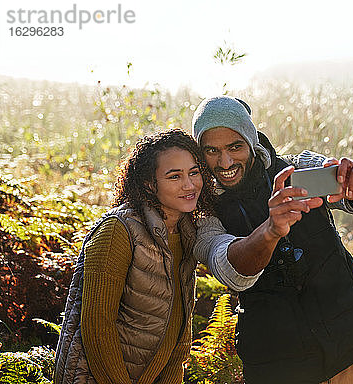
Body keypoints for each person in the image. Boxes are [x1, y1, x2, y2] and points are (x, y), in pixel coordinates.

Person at [192, 96, 353, 384]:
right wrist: (271, 230)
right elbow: (231, 271)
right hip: (278, 366)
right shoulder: (205, 214)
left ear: (252, 143)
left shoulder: (296, 172)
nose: (225, 162)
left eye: (234, 147)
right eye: (211, 150)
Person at [53, 129, 260, 384]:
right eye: (175, 176)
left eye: (194, 172)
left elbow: (178, 334)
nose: (189, 185)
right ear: (150, 184)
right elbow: (97, 331)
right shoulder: (117, 231)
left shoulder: (187, 235)